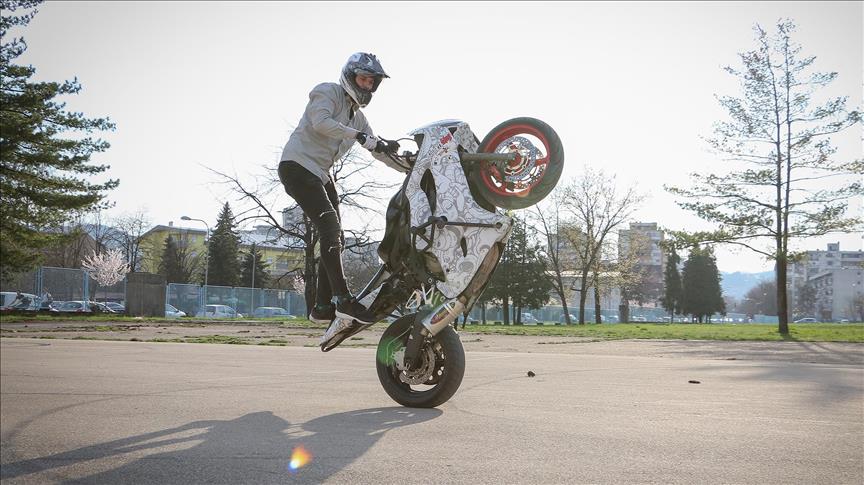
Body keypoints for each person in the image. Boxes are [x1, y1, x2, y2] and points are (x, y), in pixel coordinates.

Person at [278, 52, 408, 330]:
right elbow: (320, 123)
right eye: (363, 79)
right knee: (328, 226)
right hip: (297, 166)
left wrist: (410, 165)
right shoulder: (327, 92)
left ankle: (322, 308)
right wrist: (359, 136)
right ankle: (343, 299)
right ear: (350, 77)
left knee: (337, 233)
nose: (367, 87)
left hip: (320, 174)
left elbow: (375, 149)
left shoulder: (358, 118)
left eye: (372, 82)